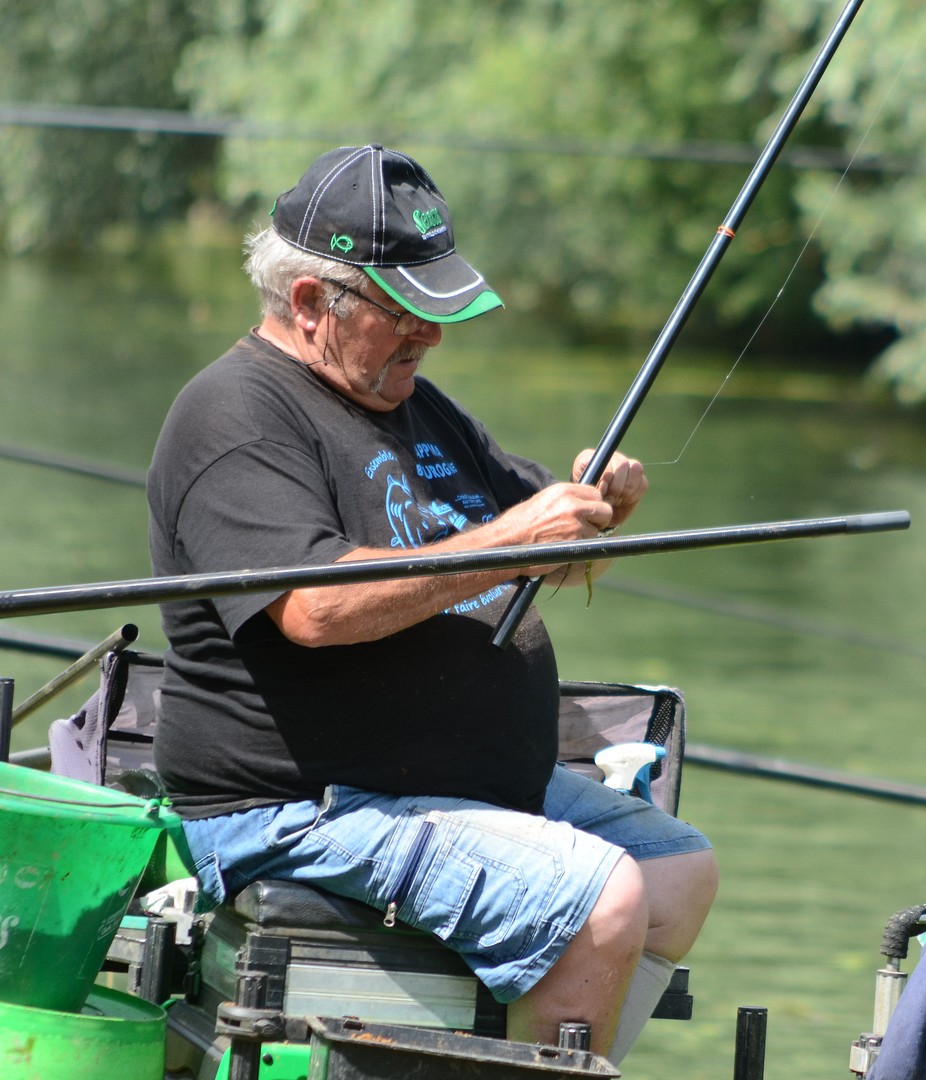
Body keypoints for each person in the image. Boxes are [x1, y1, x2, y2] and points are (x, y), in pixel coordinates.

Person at [146, 143, 717, 1061]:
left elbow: (557, 561)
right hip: (299, 806)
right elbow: (314, 609)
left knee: (678, 873)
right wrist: (512, 537)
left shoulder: (415, 403)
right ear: (309, 302)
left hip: (455, 784)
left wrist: (599, 514)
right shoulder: (234, 415)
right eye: (405, 309)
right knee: (601, 896)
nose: (431, 333)